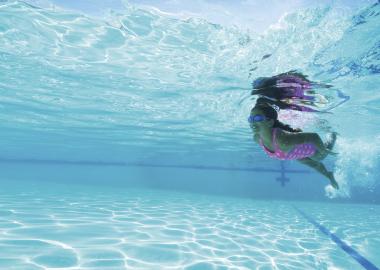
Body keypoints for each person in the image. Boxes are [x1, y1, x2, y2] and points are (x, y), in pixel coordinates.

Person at [249, 104, 339, 189]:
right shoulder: (257, 138)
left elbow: (313, 136)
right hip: (295, 154)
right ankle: (329, 176)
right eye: (251, 119)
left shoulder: (282, 140)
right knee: (313, 165)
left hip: (312, 150)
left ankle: (333, 134)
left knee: (319, 158)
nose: (252, 122)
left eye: (257, 118)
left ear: (270, 122)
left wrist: (323, 150)